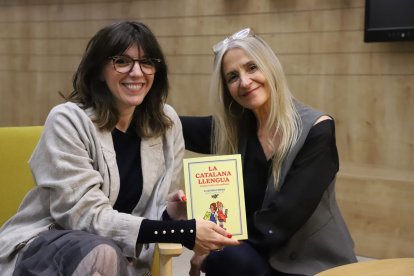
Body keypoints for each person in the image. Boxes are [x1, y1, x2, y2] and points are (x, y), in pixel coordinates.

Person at [0, 21, 239, 276]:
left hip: (121, 261)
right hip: (48, 250)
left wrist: (169, 213)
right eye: (122, 61)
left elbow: (147, 217)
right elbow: (84, 217)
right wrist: (183, 232)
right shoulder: (67, 120)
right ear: (100, 70)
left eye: (147, 62)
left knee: (107, 254)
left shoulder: (167, 124)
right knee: (102, 253)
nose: (137, 73)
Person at [181, 27, 358, 276]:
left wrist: (210, 245)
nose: (244, 81)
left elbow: (280, 220)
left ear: (270, 67)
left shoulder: (317, 129)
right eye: (232, 77)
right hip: (258, 259)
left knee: (221, 253)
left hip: (312, 265)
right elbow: (172, 126)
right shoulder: (236, 129)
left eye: (252, 68)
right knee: (224, 255)